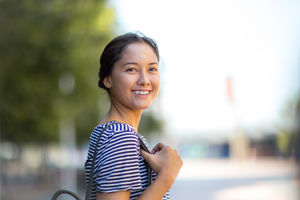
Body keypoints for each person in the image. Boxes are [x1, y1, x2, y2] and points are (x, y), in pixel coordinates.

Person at [85, 32, 183, 200]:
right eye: (131, 69)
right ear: (107, 79)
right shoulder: (120, 136)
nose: (144, 80)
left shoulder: (108, 131)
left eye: (152, 69)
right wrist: (167, 176)